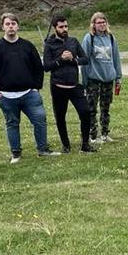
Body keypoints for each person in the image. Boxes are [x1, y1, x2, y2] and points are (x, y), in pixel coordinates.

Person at [0, 12, 59, 163]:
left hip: (29, 94)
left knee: (40, 120)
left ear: (18, 26)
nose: (10, 27)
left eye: (13, 24)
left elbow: (38, 67)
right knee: (12, 124)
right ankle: (16, 153)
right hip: (6, 96)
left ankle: (43, 149)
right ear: (2, 27)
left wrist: (36, 87)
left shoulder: (27, 46)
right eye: (7, 24)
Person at [43, 15, 94, 154]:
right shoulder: (49, 44)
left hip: (74, 86)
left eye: (66, 26)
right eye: (61, 27)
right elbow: (46, 66)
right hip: (58, 86)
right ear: (55, 28)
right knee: (60, 117)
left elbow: (85, 59)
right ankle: (66, 145)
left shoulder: (73, 41)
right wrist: (60, 59)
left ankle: (85, 144)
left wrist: (72, 59)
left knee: (85, 112)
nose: (64, 29)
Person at [81, 12, 122, 144]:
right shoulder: (89, 38)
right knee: (92, 109)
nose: (102, 25)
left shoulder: (111, 38)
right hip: (94, 80)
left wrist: (118, 77)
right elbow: (84, 61)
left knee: (106, 108)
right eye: (99, 23)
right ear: (93, 24)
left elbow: (116, 59)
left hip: (108, 79)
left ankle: (105, 133)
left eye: (103, 22)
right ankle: (93, 135)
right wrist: (85, 81)